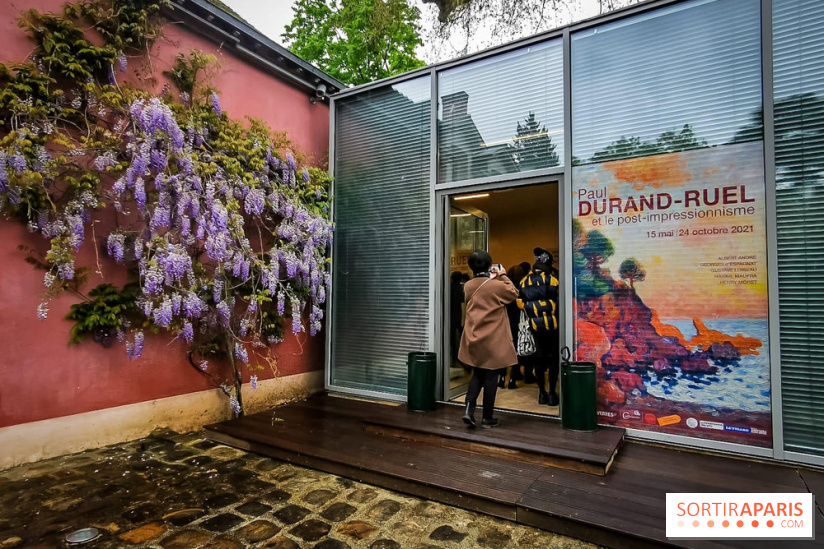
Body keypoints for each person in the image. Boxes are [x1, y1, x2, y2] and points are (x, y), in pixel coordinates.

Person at [458, 250, 519, 428]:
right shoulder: (496, 285)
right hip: (493, 338)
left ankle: (469, 410)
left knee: (477, 374)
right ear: (489, 265)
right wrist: (503, 275)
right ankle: (487, 417)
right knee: (491, 376)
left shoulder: (468, 285)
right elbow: (513, 293)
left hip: (474, 336)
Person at [519, 247, 560, 406]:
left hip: (534, 328)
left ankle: (542, 393)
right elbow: (559, 301)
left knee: (539, 361)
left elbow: (520, 304)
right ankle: (552, 393)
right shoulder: (552, 279)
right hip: (553, 328)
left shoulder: (524, 281)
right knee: (553, 362)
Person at [502, 264, 527, 389]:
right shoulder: (522, 287)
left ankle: (501, 378)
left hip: (504, 320)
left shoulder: (504, 287)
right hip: (518, 320)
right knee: (516, 349)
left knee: (503, 349)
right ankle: (513, 377)